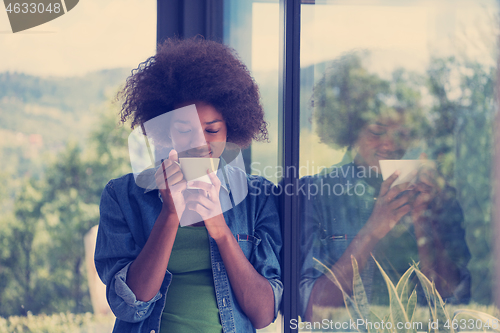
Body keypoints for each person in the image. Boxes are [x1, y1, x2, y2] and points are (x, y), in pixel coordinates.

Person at [94, 38, 282, 333]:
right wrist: (170, 215)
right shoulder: (122, 196)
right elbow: (131, 305)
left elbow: (263, 315)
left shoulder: (258, 198)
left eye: (212, 130)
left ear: (230, 128)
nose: (199, 143)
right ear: (165, 130)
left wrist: (220, 230)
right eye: (185, 129)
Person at [300, 53, 470, 320]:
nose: (390, 145)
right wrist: (373, 229)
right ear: (349, 129)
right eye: (377, 131)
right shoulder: (315, 195)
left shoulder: (435, 194)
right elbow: (311, 310)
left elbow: (451, 299)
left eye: (402, 134)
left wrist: (426, 222)